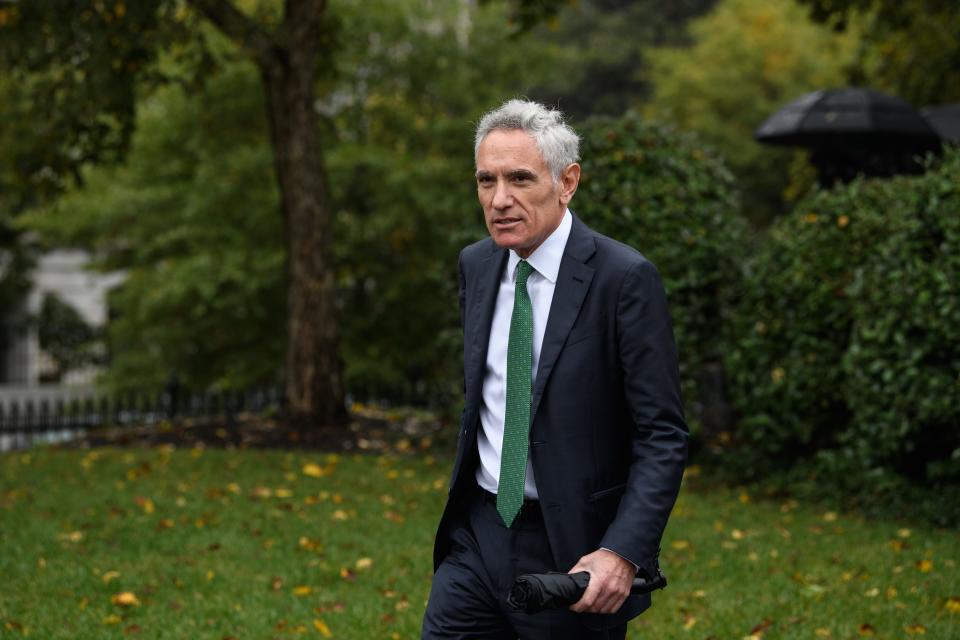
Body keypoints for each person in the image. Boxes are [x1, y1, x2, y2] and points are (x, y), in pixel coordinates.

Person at [422, 99, 688, 639]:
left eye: (520, 178)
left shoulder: (624, 279)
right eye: (486, 180)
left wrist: (622, 551)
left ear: (567, 182)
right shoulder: (476, 265)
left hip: (572, 550)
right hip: (477, 533)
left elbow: (662, 435)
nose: (499, 199)